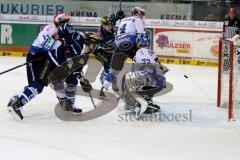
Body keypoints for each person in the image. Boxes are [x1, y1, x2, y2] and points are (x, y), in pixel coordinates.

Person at [7, 13, 69, 120]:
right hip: (35, 58)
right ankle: (17, 103)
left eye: (67, 21)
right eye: (63, 21)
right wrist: (59, 41)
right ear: (57, 21)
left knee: (38, 84)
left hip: (42, 58)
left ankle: (16, 100)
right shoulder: (51, 29)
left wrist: (60, 41)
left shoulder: (58, 31)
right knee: (36, 85)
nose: (65, 24)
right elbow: (46, 45)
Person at [122, 34, 168, 116]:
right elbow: (161, 69)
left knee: (128, 79)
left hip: (145, 79)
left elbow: (133, 71)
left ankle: (133, 101)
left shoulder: (137, 54)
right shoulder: (152, 52)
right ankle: (148, 100)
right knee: (149, 82)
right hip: (160, 82)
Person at [103, 7, 146, 93]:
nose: (143, 16)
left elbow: (117, 35)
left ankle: (104, 87)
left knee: (115, 69)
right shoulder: (138, 20)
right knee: (141, 64)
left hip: (119, 44)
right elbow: (141, 36)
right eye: (142, 14)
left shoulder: (123, 21)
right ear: (138, 14)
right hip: (131, 42)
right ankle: (135, 87)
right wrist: (143, 52)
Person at [93, 11, 125, 98]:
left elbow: (112, 18)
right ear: (103, 25)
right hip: (100, 52)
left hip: (108, 51)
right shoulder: (103, 35)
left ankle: (106, 78)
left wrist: (118, 15)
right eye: (108, 25)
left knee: (112, 67)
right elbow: (110, 48)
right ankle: (104, 81)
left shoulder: (107, 25)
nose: (110, 26)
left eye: (111, 24)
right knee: (110, 68)